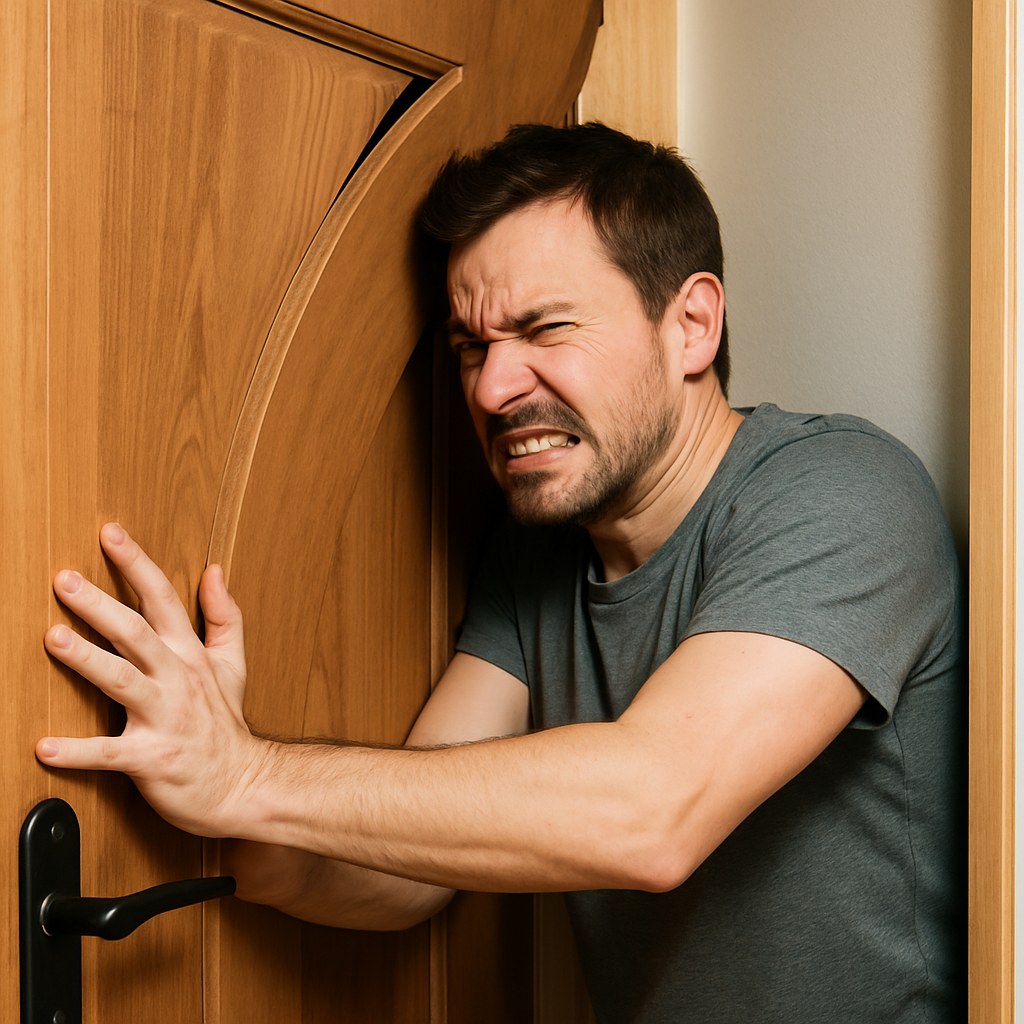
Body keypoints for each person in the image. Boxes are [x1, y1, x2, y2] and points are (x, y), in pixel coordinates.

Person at [36, 123, 964, 1022]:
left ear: (691, 325)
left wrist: (249, 774)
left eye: (544, 329)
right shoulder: (538, 552)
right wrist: (231, 808)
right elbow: (407, 872)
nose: (489, 388)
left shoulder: (843, 491)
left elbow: (652, 811)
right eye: (472, 347)